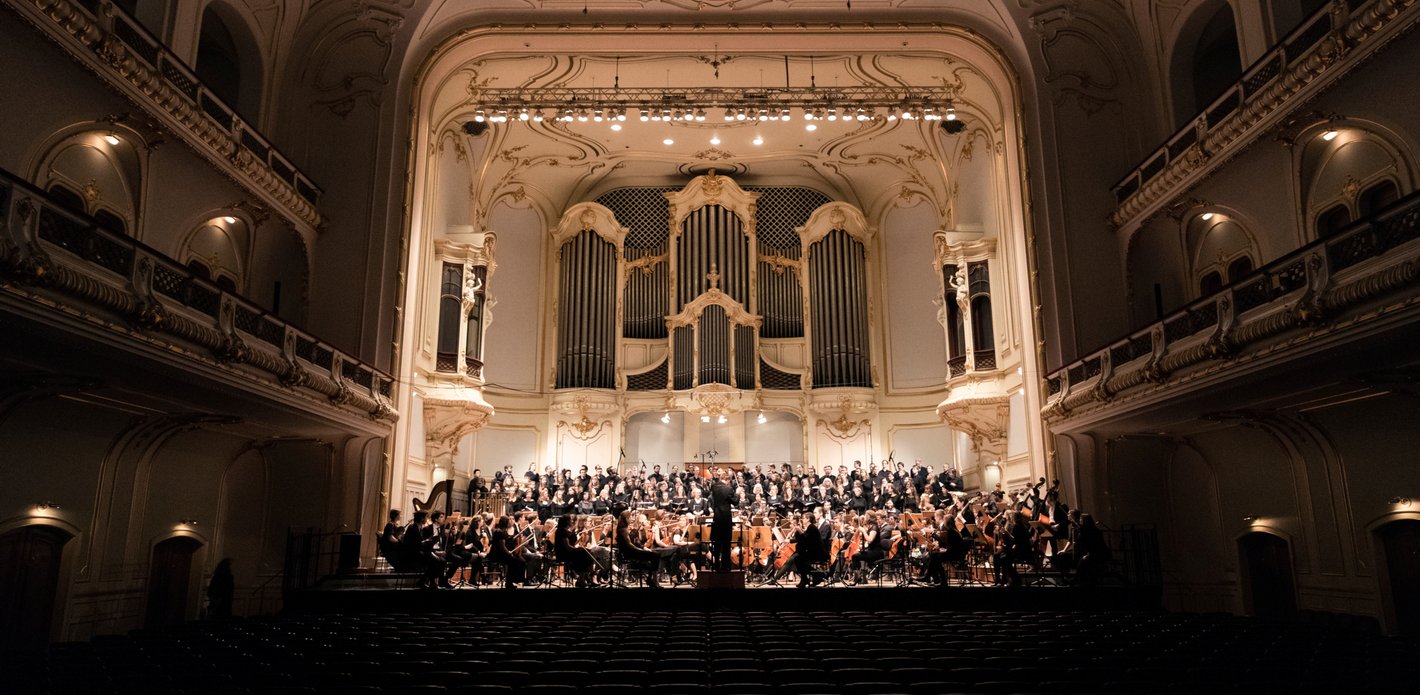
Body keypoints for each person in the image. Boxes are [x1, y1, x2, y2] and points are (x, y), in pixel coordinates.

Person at [615, 509, 663, 588]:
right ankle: (651, 580)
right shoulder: (623, 530)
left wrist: (643, 548)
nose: (632, 519)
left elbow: (636, 542)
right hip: (629, 553)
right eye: (630, 517)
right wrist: (640, 550)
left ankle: (650, 579)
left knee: (655, 555)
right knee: (655, 555)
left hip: (632, 551)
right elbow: (629, 545)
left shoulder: (627, 529)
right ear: (626, 519)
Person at [488, 515, 526, 589]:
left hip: (499, 553)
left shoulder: (500, 530)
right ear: (505, 523)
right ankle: (510, 582)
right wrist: (509, 553)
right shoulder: (500, 532)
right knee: (514, 561)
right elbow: (502, 547)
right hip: (497, 554)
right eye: (508, 522)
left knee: (517, 560)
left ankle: (512, 581)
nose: (510, 523)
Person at [710, 467, 736, 572]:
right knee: (726, 544)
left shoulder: (714, 487)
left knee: (717, 543)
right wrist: (737, 494)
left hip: (717, 518)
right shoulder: (729, 489)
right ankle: (725, 567)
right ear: (727, 480)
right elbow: (735, 502)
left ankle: (716, 566)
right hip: (726, 520)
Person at [792, 512, 823, 587]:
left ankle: (816, 575)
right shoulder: (809, 527)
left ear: (808, 519)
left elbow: (806, 540)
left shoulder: (812, 527)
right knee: (798, 559)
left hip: (817, 552)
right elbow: (802, 540)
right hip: (811, 551)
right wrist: (797, 531)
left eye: (804, 518)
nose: (802, 519)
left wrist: (800, 531)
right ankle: (806, 578)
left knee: (798, 559)